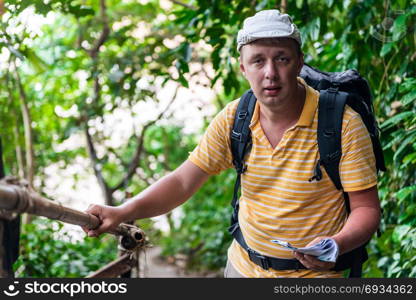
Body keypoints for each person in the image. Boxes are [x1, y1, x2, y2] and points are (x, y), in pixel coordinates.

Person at [83, 9, 380, 278]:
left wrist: (336, 245)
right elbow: (183, 181)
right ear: (243, 68)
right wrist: (122, 211)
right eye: (258, 61)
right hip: (243, 268)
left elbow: (366, 208)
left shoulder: (341, 124)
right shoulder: (235, 119)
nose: (270, 73)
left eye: (282, 59)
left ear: (299, 62)